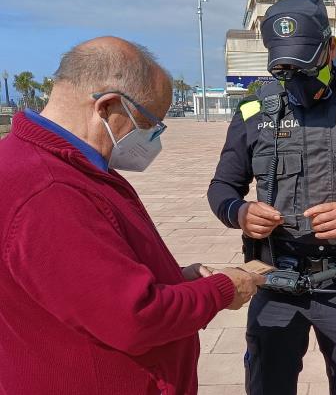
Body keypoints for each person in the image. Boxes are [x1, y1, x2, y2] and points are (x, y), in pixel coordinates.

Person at [0, 37, 265, 395]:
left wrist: (172, 277)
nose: (154, 138)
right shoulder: (48, 189)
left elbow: (89, 285)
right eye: (151, 123)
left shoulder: (63, 166)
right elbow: (135, 318)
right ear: (108, 107)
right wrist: (225, 287)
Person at [208, 0, 336, 395]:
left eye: (304, 64)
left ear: (331, 49)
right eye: (283, 67)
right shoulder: (255, 112)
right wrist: (239, 212)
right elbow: (222, 188)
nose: (295, 76)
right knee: (268, 383)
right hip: (275, 279)